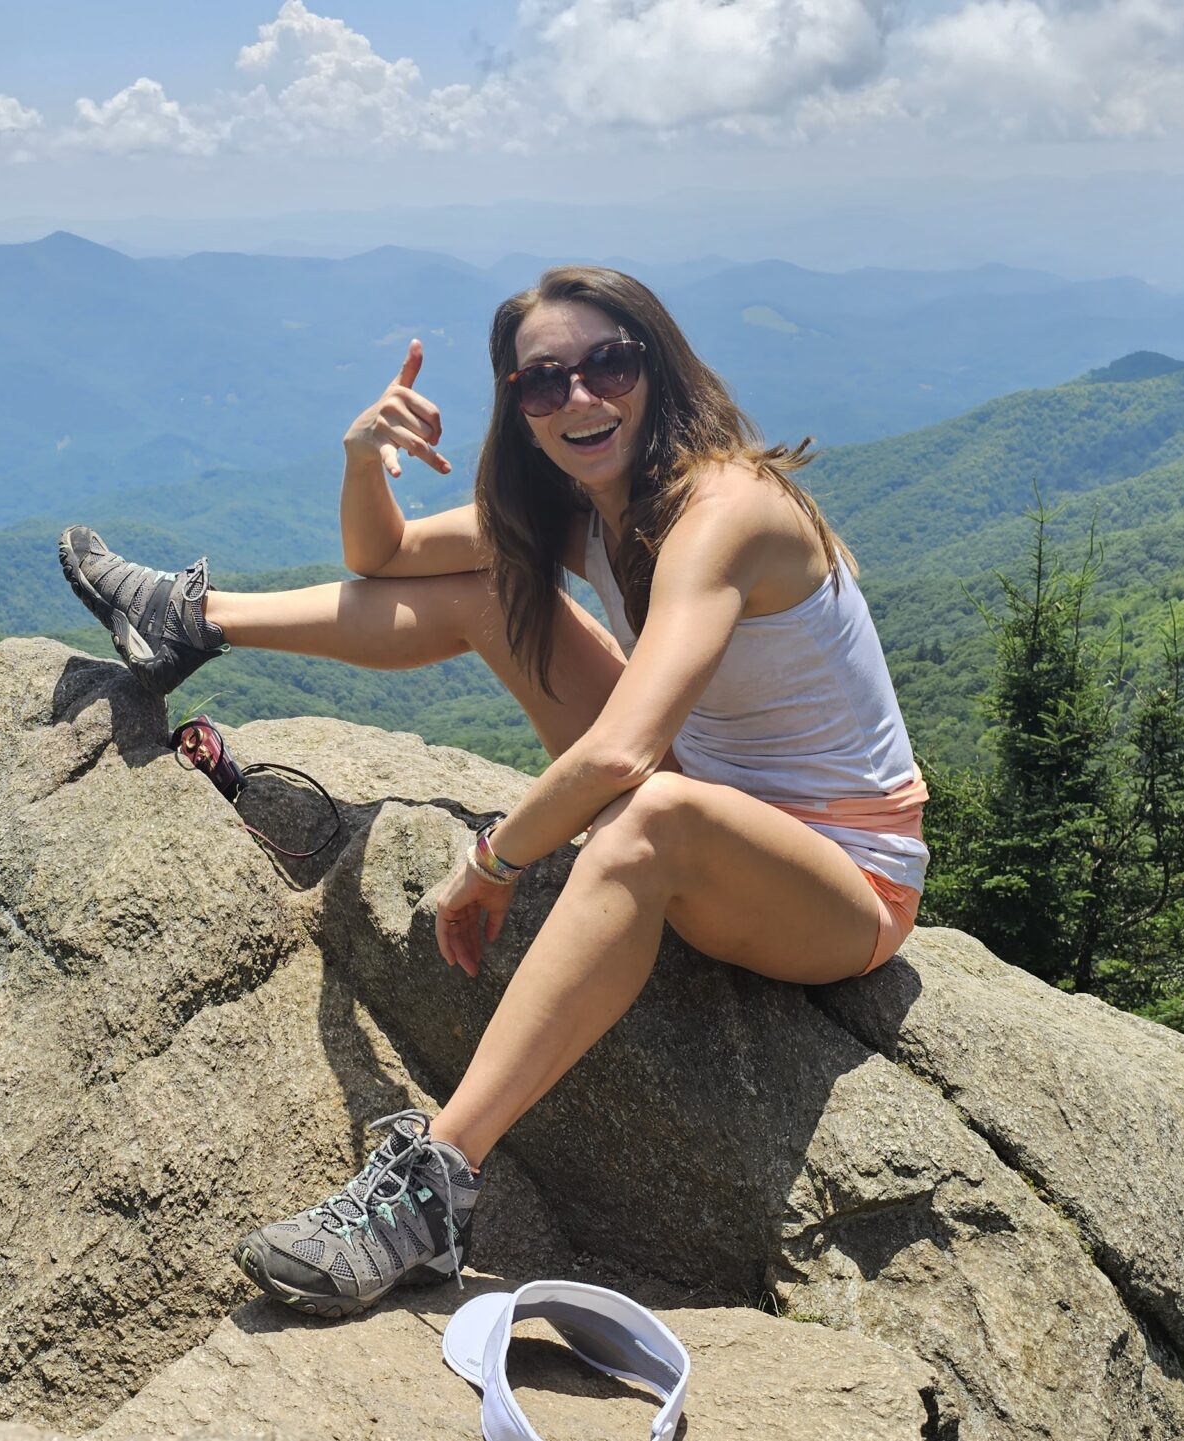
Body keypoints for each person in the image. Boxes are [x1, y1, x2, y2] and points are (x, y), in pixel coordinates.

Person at [57, 265, 924, 1319]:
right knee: (483, 586)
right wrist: (362, 455)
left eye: (608, 363)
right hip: (711, 806)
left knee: (647, 813)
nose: (580, 399)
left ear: (657, 364)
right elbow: (384, 557)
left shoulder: (724, 513)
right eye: (542, 382)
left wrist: (494, 859)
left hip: (841, 884)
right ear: (517, 405)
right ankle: (190, 623)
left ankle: (432, 1189)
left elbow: (621, 756)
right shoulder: (592, 510)